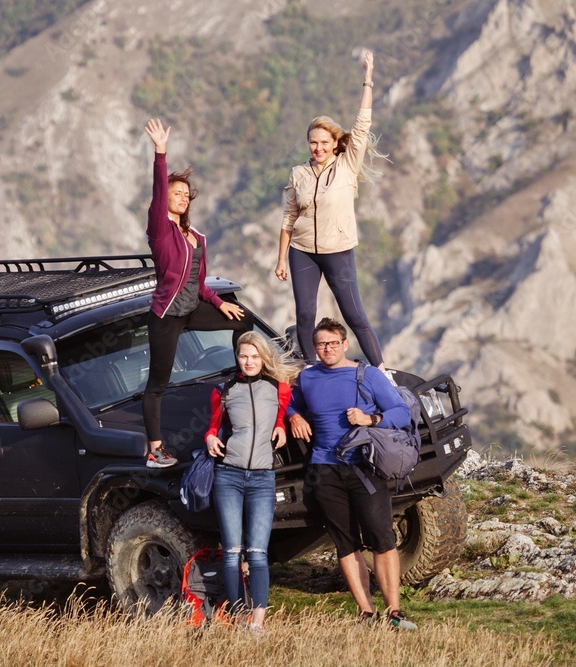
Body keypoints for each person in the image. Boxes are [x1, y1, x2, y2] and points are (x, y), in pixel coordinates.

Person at [286, 317, 417, 631]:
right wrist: (292, 415)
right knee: (345, 543)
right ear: (314, 347)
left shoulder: (366, 374)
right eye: (321, 344)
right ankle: (366, 614)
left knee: (383, 539)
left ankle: (394, 612)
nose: (327, 349)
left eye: (333, 343)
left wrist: (369, 418)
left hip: (363, 467)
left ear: (345, 344)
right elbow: (288, 401)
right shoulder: (307, 378)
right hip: (324, 469)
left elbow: (400, 412)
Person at [143, 118, 253, 468]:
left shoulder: (197, 238)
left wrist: (220, 304)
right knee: (158, 383)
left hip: (192, 308)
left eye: (184, 195)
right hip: (167, 315)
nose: (180, 197)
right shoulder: (161, 230)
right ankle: (155, 449)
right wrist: (161, 153)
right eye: (175, 193)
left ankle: (245, 380)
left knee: (244, 320)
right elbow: (160, 191)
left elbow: (200, 284)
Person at [275, 50, 386, 368]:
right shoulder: (299, 173)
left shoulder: (347, 165)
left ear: (335, 144)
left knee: (354, 314)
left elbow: (362, 125)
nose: (318, 148)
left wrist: (368, 80)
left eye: (324, 142)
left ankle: (380, 370)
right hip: (302, 250)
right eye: (313, 143)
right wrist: (281, 258)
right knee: (305, 314)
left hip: (338, 251)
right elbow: (289, 217)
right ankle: (310, 369)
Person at [204, 331, 298, 631]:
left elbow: (281, 416)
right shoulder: (224, 390)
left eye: (255, 356)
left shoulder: (279, 388)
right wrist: (208, 438)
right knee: (232, 554)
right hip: (228, 476)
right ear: (237, 357)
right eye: (244, 356)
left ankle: (257, 622)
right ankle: (238, 617)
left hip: (262, 478)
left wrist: (283, 425)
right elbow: (213, 426)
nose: (249, 361)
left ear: (263, 358)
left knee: (258, 554)